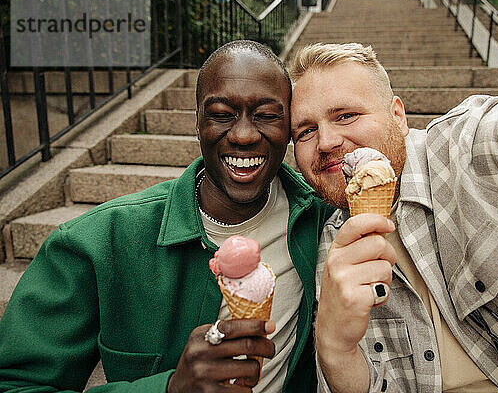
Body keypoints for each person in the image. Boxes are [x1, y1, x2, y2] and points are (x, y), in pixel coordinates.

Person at [0, 40, 332, 392]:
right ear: (198, 122)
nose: (244, 135)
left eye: (266, 116)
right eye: (221, 114)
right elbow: (16, 386)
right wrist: (169, 389)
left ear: (291, 129)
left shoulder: (319, 218)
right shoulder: (96, 244)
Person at [289, 42, 498, 392]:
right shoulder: (329, 251)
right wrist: (335, 350)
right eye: (305, 132)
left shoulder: (473, 148)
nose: (326, 141)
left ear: (398, 116)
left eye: (346, 115)